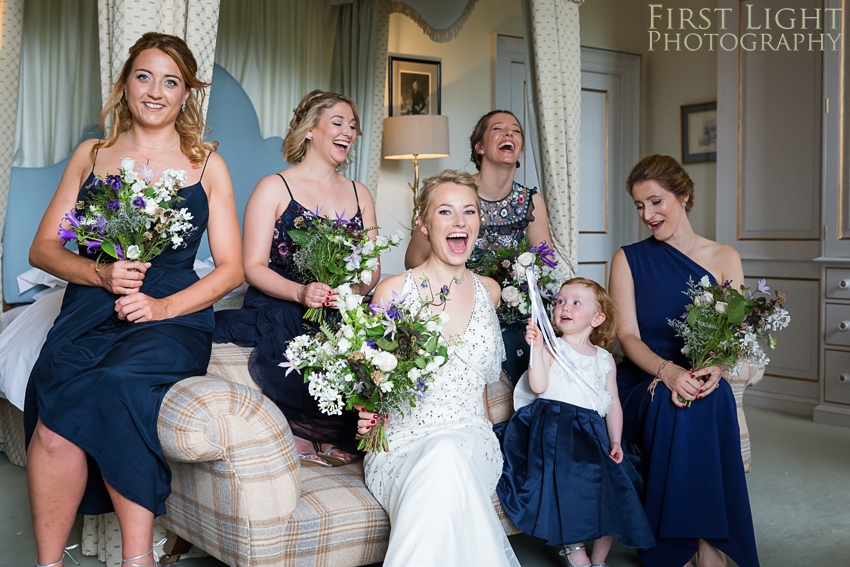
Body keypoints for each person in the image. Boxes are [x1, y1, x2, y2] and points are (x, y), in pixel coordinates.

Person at [24, 32, 243, 567]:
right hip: (89, 311)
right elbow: (43, 249)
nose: (155, 91)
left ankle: (136, 559)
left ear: (186, 94)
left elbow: (233, 269)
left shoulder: (206, 164)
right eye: (144, 77)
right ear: (125, 85)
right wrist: (100, 273)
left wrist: (164, 307)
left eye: (171, 82)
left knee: (116, 384)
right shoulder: (92, 155)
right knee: (53, 423)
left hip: (172, 318)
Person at [359, 170, 520, 567]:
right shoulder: (394, 291)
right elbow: (369, 377)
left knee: (449, 456)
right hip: (402, 442)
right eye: (446, 212)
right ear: (425, 225)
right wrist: (366, 415)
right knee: (442, 462)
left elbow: (482, 384)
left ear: (479, 223)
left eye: (469, 211)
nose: (460, 221)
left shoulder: (490, 292)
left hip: (472, 438)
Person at [213, 90, 379, 467]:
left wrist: (349, 292)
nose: (348, 132)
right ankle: (302, 431)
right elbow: (251, 267)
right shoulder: (274, 187)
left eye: (353, 126)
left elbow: (371, 269)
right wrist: (302, 292)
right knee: (294, 339)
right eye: (338, 123)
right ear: (310, 130)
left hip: (340, 307)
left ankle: (338, 435)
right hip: (283, 301)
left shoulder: (360, 194)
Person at [609, 155, 760, 567]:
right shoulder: (627, 258)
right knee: (678, 401)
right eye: (640, 206)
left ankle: (699, 549)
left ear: (684, 195)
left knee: (712, 397)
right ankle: (706, 550)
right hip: (647, 383)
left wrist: (719, 366)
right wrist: (668, 372)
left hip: (702, 376)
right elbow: (626, 336)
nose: (648, 215)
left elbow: (732, 334)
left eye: (656, 202)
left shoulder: (725, 257)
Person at [497, 278, 655, 567]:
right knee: (567, 480)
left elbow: (613, 404)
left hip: (592, 431)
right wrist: (536, 348)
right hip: (556, 429)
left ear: (597, 318)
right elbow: (539, 385)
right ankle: (574, 549)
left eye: (575, 302)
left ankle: (600, 558)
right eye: (559, 301)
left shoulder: (605, 360)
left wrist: (616, 440)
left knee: (615, 481)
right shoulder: (552, 349)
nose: (564, 307)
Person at [405, 110, 554, 385]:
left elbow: (544, 266)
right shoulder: (454, 193)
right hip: (457, 306)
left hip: (511, 313)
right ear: (480, 146)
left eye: (516, 131)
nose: (509, 134)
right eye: (498, 129)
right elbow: (414, 259)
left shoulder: (531, 201)